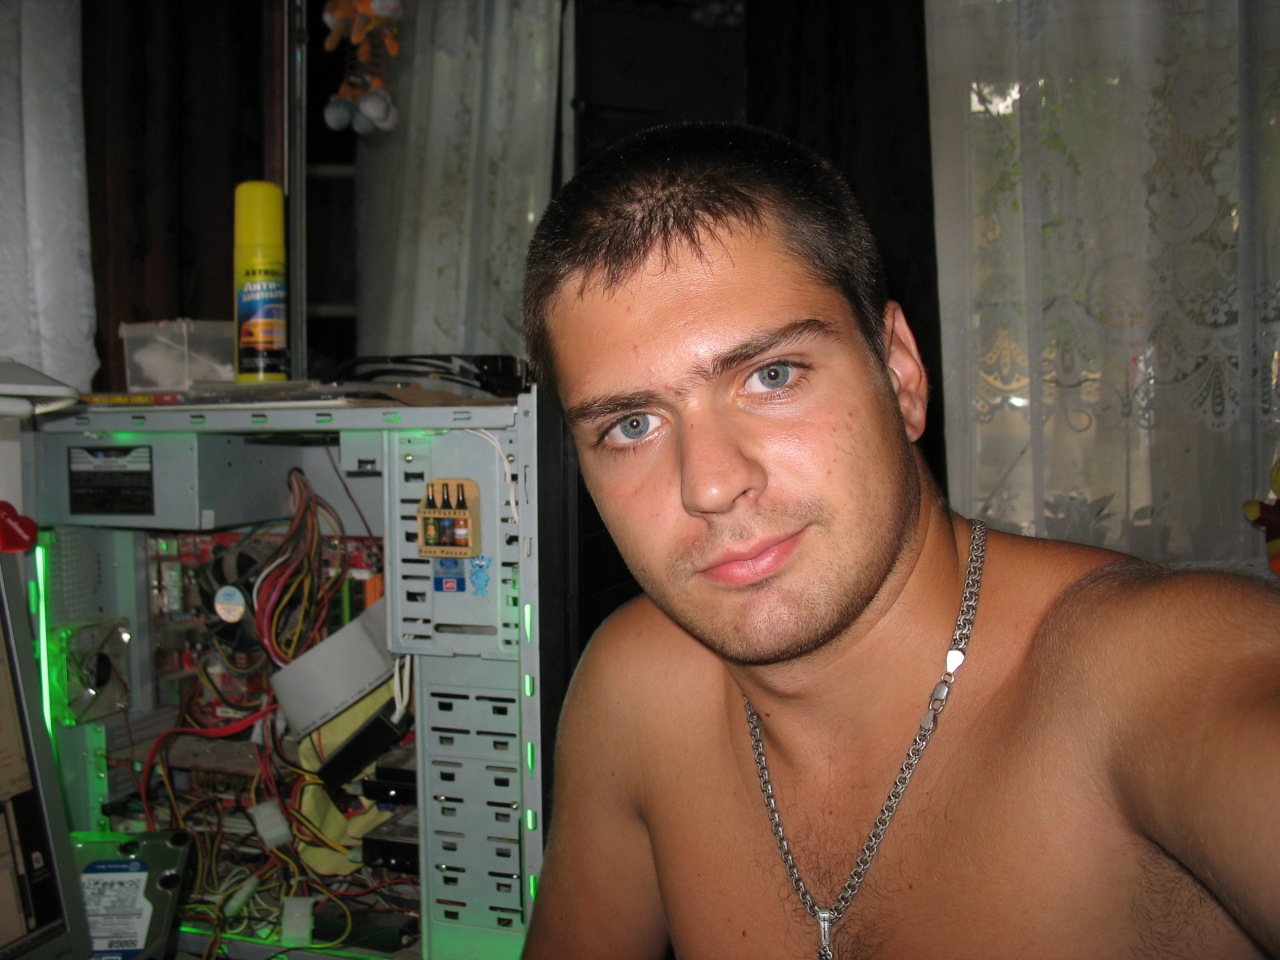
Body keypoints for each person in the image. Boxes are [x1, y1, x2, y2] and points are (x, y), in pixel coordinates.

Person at [518, 121, 1280, 960]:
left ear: (901, 375)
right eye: (631, 424)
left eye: (772, 376)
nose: (709, 484)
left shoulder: (1144, 679)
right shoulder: (636, 694)